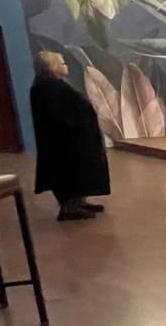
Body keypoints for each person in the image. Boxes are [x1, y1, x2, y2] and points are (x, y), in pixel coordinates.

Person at [29, 51, 110, 221]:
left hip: (75, 140)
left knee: (81, 171)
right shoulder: (48, 87)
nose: (66, 65)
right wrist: (80, 121)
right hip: (66, 143)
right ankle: (69, 207)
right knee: (70, 172)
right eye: (62, 63)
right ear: (52, 66)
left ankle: (79, 201)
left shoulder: (52, 85)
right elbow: (58, 115)